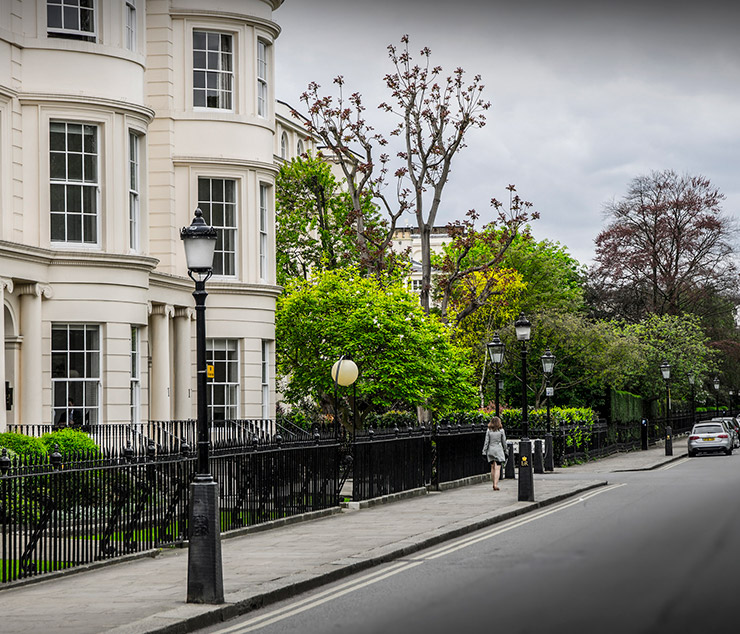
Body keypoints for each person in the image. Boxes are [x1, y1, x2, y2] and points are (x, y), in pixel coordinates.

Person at [482, 416, 507, 491]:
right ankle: (496, 484)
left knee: (492, 467)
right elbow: (504, 442)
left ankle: (493, 483)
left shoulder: (489, 430)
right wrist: (506, 450)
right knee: (498, 468)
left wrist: (484, 451)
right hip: (498, 450)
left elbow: (486, 442)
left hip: (491, 450)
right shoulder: (501, 430)